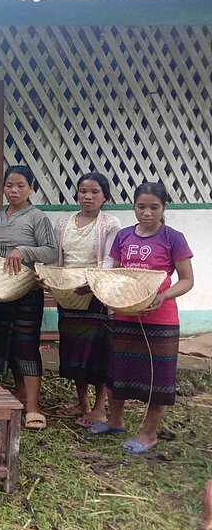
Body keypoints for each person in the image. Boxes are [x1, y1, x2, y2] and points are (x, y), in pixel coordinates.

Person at [89, 182, 193, 455]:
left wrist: (164, 295)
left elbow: (187, 280)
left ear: (164, 207)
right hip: (125, 314)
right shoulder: (123, 236)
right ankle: (116, 420)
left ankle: (149, 433)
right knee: (117, 372)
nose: (147, 213)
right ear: (134, 206)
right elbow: (111, 272)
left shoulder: (173, 238)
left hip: (160, 320)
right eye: (141, 206)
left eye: (154, 207)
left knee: (159, 379)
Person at [40, 173, 120, 427]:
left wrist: (94, 283)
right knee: (74, 349)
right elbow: (57, 257)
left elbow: (110, 259)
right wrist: (48, 276)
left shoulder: (110, 223)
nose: (88, 196)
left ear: (104, 195)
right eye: (83, 191)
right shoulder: (63, 222)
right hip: (69, 294)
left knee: (97, 352)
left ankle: (99, 408)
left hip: (95, 295)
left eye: (95, 191)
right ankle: (82, 402)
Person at [0, 165, 56, 431]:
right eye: (9, 185)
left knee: (26, 345)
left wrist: (22, 250)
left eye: (20, 185)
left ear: (31, 187)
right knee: (6, 344)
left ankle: (34, 406)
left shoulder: (37, 217)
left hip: (27, 291)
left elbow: (50, 252)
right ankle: (19, 394)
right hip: (0, 290)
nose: (14, 191)